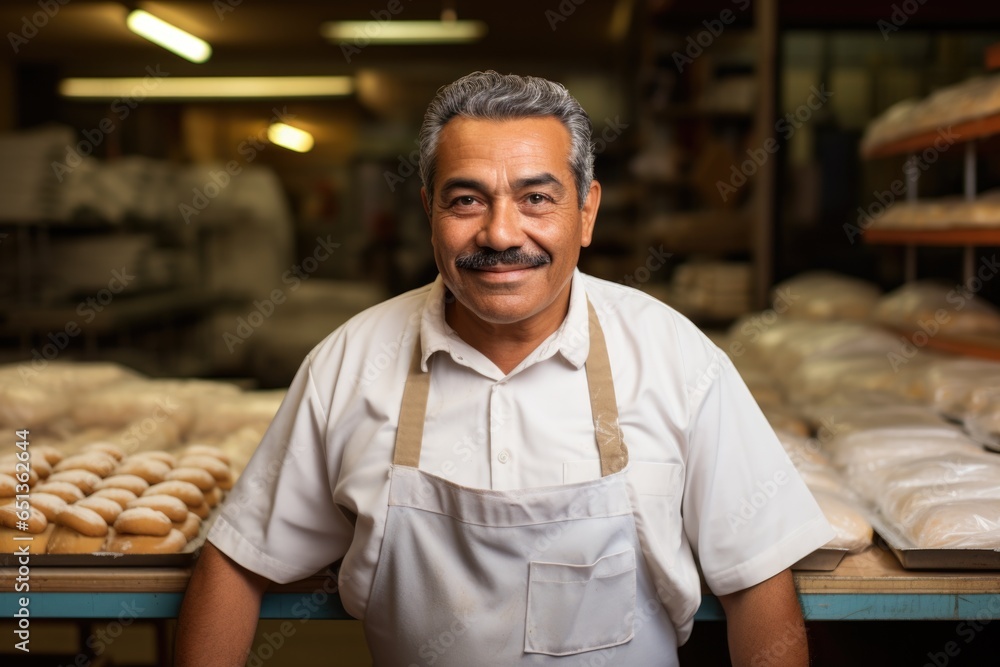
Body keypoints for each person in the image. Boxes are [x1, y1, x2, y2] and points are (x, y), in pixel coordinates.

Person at [176, 70, 834, 666]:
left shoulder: (674, 358)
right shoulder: (349, 364)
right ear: (428, 211)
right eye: (466, 200)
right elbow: (234, 564)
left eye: (536, 199)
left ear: (587, 211)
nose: (499, 233)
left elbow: (759, 587)